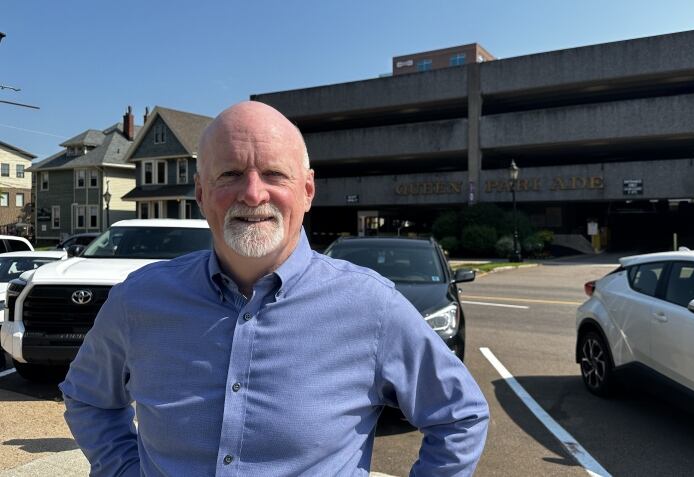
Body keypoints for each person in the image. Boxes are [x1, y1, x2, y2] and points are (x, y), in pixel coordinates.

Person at [60, 101, 489, 476]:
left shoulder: (370, 306)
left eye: (273, 174)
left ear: (306, 191)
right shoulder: (140, 300)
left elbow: (460, 415)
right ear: (201, 193)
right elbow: (88, 398)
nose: (252, 193)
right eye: (229, 174)